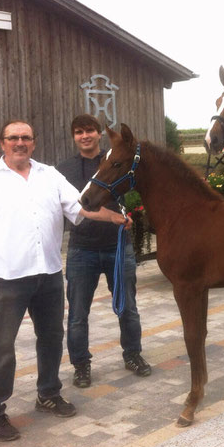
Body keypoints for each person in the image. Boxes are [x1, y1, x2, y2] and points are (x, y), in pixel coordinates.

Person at [0, 120, 130, 442]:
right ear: (2, 143)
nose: (20, 142)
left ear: (34, 142)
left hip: (48, 273)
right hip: (6, 277)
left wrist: (113, 216)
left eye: (26, 138)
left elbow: (80, 207)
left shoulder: (49, 175)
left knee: (51, 338)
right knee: (1, 347)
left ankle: (48, 393)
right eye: (13, 138)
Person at [57, 114, 151, 391]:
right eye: (79, 132)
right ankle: (81, 365)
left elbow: (133, 189)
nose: (84, 136)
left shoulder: (115, 160)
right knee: (77, 313)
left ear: (99, 134)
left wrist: (131, 212)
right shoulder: (63, 169)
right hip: (81, 249)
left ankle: (132, 354)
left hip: (117, 246)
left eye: (89, 131)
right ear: (74, 137)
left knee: (129, 307)